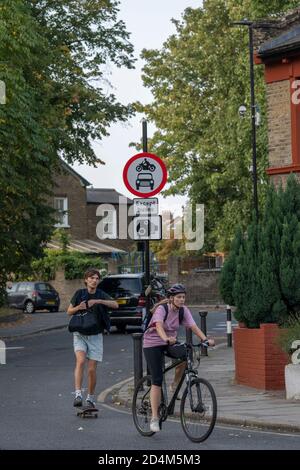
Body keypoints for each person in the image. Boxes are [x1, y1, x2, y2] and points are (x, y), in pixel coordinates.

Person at [143, 283, 215, 433]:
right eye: (179, 297)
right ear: (171, 298)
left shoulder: (183, 310)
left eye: (183, 297)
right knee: (156, 380)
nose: (182, 300)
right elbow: (158, 326)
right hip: (153, 343)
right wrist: (165, 338)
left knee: (186, 354)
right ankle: (155, 417)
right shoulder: (162, 309)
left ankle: (174, 385)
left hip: (170, 341)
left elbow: (193, 327)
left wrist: (205, 340)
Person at [67, 268, 118, 408]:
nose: (94, 280)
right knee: (81, 361)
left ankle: (90, 397)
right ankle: (78, 394)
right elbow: (68, 311)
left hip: (96, 336)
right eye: (91, 278)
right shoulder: (79, 293)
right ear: (86, 280)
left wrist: (99, 301)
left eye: (96, 278)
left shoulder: (101, 294)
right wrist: (78, 307)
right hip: (80, 334)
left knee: (91, 369)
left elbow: (115, 304)